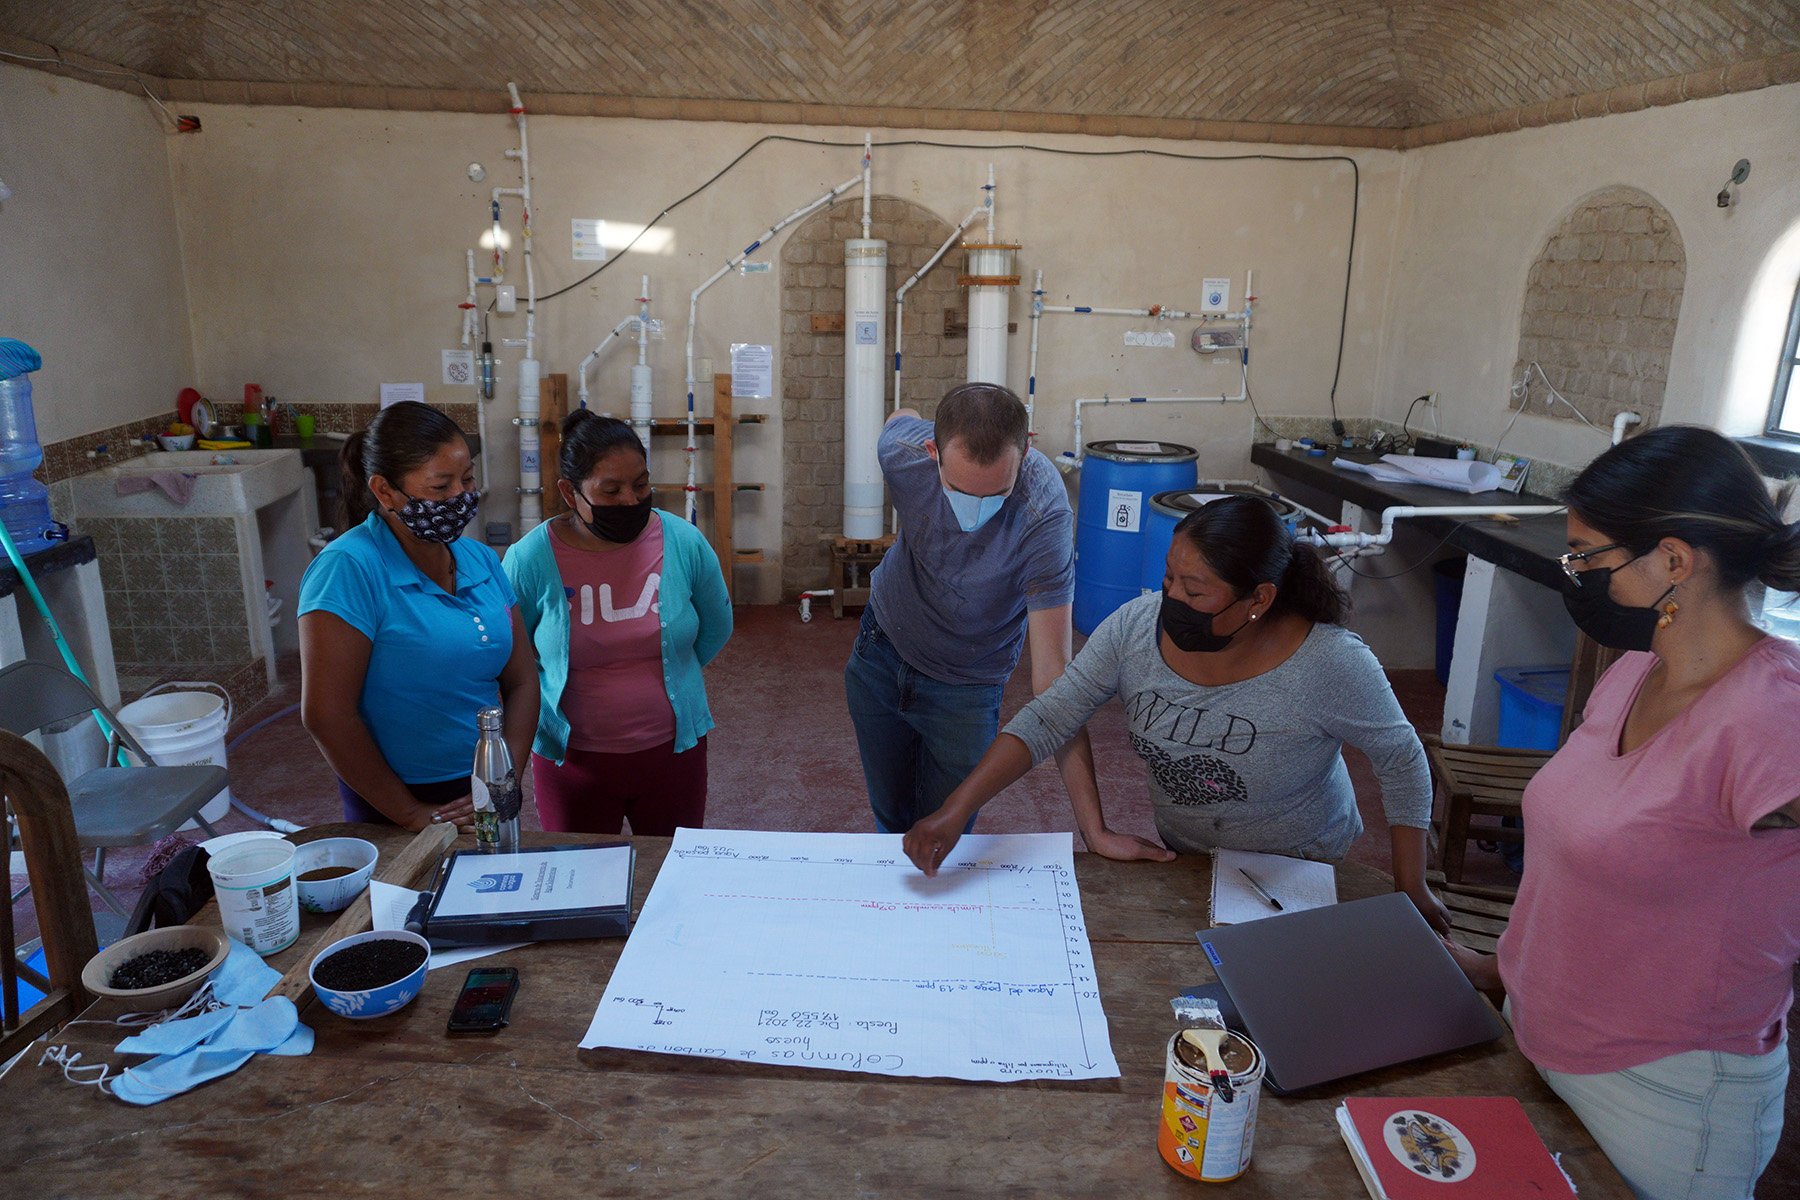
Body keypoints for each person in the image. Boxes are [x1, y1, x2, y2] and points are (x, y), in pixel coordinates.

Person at [1445, 426, 1800, 1200]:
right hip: (1542, 1041)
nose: (1573, 576)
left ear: (1675, 561)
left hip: (1667, 1097)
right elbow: (1582, 859)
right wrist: (1506, 970)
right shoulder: (1634, 674)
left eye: (1587, 557)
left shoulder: (1773, 719)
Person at [903, 495, 1450, 931]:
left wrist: (1411, 885)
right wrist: (955, 810)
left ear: (1258, 599)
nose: (1172, 602)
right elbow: (1051, 717)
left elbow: (1401, 759)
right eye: (1169, 580)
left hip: (1300, 868)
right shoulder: (1135, 628)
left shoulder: (1329, 662)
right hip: (1188, 859)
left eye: (1196, 591)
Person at [846, 383, 1168, 864]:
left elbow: (1056, 682)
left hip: (967, 683)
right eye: (957, 490)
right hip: (882, 648)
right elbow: (899, 418)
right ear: (932, 451)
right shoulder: (902, 453)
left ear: (1026, 451)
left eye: (997, 493)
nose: (975, 512)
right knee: (891, 823)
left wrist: (1094, 830)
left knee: (947, 838)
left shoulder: (1044, 516)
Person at [299, 401, 537, 830]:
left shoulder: (480, 560)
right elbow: (327, 715)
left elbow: (521, 681)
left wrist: (505, 777)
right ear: (385, 491)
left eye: (466, 480)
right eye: (440, 487)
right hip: (392, 802)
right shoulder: (348, 568)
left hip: (486, 786)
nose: (460, 498)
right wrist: (410, 814)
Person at [504, 410, 732, 835]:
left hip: (673, 756)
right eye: (611, 490)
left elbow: (717, 626)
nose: (630, 500)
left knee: (670, 878)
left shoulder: (683, 542)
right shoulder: (530, 558)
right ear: (570, 493)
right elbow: (513, 655)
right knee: (579, 884)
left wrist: (671, 678)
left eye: (641, 484)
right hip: (572, 764)